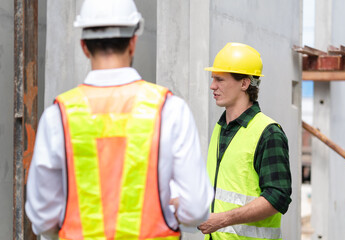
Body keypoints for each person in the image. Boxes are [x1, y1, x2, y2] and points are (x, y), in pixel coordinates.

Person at [25, 0, 213, 239]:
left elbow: (42, 217)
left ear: (84, 46)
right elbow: (196, 210)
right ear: (133, 42)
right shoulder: (170, 110)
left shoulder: (58, 116)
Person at [198, 42, 292, 240]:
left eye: (220, 79)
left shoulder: (268, 133)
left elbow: (278, 198)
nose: (212, 86)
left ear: (244, 83)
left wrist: (222, 220)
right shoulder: (220, 128)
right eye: (213, 79)